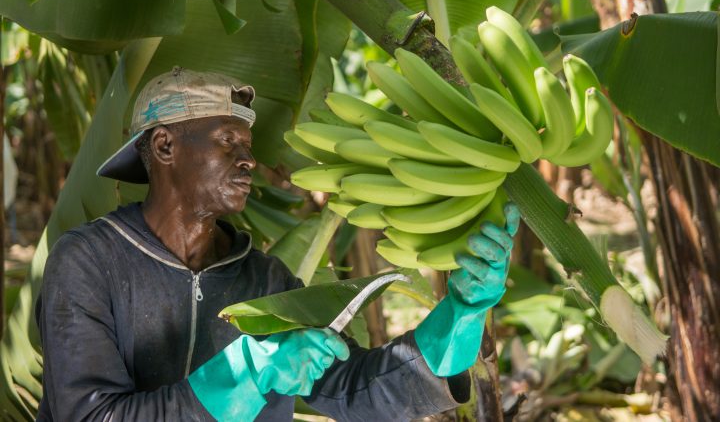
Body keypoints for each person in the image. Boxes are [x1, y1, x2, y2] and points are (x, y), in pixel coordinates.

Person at [36, 66, 520, 421]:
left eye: (247, 146)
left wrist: (462, 313)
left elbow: (357, 389)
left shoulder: (264, 280)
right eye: (227, 141)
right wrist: (245, 373)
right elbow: (91, 415)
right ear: (165, 146)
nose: (249, 160)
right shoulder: (89, 263)